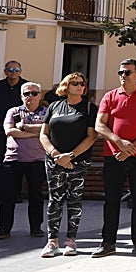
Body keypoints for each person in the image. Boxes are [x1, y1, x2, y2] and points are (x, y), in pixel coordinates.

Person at [93, 59, 136, 257]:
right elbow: (100, 125)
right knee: (111, 199)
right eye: (121, 72)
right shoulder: (110, 96)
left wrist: (133, 146)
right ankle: (108, 242)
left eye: (127, 72)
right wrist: (119, 142)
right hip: (113, 155)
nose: (123, 76)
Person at [38, 73, 97, 256]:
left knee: (74, 199)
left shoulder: (88, 108)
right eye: (75, 84)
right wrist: (56, 154)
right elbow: (43, 134)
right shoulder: (54, 106)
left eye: (82, 84)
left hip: (78, 160)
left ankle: (71, 240)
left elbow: (92, 136)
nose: (80, 86)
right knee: (55, 199)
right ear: (66, 86)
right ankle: (52, 241)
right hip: (54, 161)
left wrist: (70, 156)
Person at [0, 81, 47, 240]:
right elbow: (9, 131)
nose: (30, 97)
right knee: (8, 196)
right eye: (27, 94)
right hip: (13, 160)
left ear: (40, 95)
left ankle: (36, 228)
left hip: (37, 160)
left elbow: (48, 130)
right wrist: (35, 133)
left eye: (34, 93)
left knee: (36, 196)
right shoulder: (13, 111)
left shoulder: (47, 112)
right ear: (21, 96)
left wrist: (23, 128)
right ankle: (4, 229)